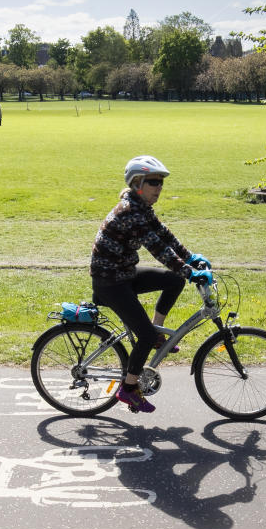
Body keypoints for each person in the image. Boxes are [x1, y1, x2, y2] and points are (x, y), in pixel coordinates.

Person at [90, 155, 212, 413]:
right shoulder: (130, 212)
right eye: (154, 182)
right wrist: (189, 271)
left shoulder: (141, 207)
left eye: (161, 183)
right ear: (137, 184)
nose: (159, 188)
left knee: (173, 280)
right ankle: (129, 388)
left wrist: (190, 259)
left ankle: (157, 332)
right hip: (110, 281)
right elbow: (158, 248)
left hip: (123, 272)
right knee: (143, 335)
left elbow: (165, 235)